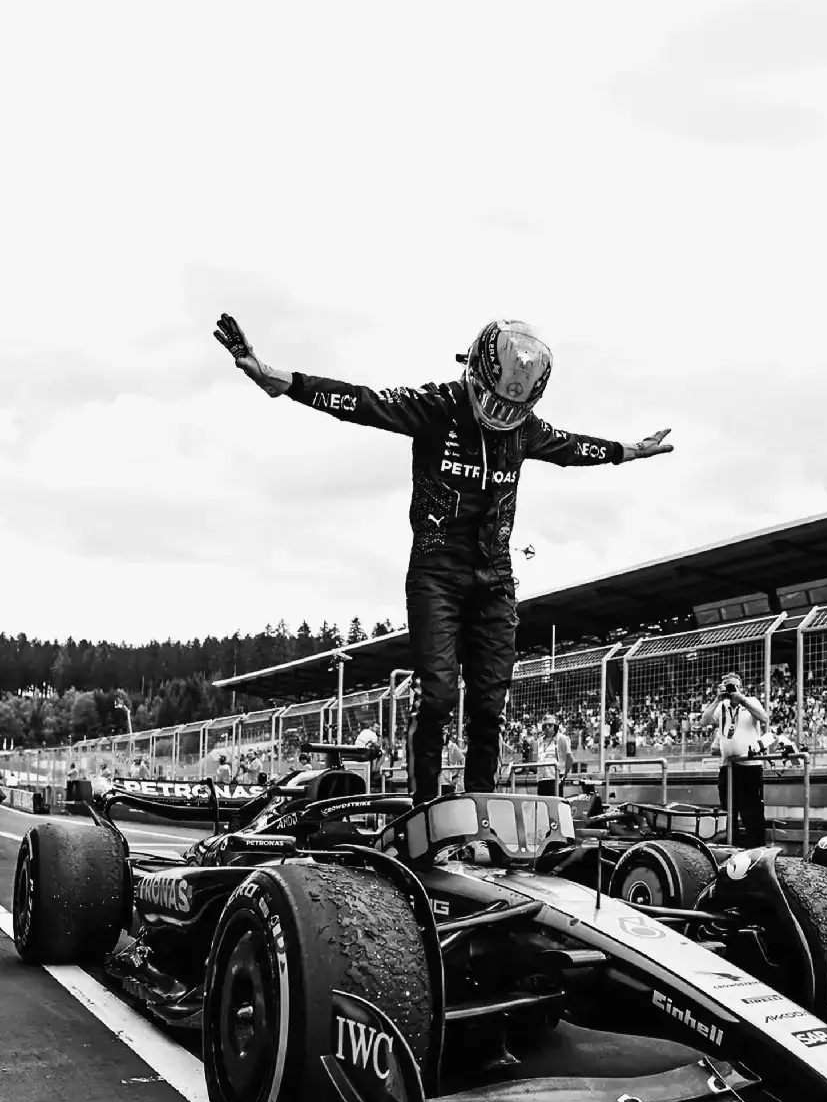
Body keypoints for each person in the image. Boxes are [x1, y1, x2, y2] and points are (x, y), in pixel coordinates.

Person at [214, 311, 673, 802]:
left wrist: (629, 451)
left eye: (511, 408)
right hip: (436, 571)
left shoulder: (527, 431)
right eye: (492, 401)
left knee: (488, 705)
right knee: (435, 696)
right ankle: (424, 807)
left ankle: (479, 806)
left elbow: (574, 447)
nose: (500, 415)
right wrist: (279, 381)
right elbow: (361, 401)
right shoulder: (438, 406)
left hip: (495, 578)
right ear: (475, 372)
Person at [701, 672, 768, 846]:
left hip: (749, 765)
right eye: (727, 686)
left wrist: (742, 699)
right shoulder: (721, 706)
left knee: (752, 811)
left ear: (740, 687)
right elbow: (704, 721)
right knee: (728, 811)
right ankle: (732, 847)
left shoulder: (750, 701)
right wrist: (717, 699)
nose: (730, 689)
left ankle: (757, 849)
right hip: (727, 767)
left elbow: (764, 717)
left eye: (733, 686)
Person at [536, 712, 572, 796]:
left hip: (554, 778)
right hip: (541, 779)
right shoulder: (539, 741)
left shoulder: (561, 739)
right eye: (545, 726)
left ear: (555, 726)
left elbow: (569, 758)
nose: (547, 727)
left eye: (550, 725)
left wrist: (563, 776)